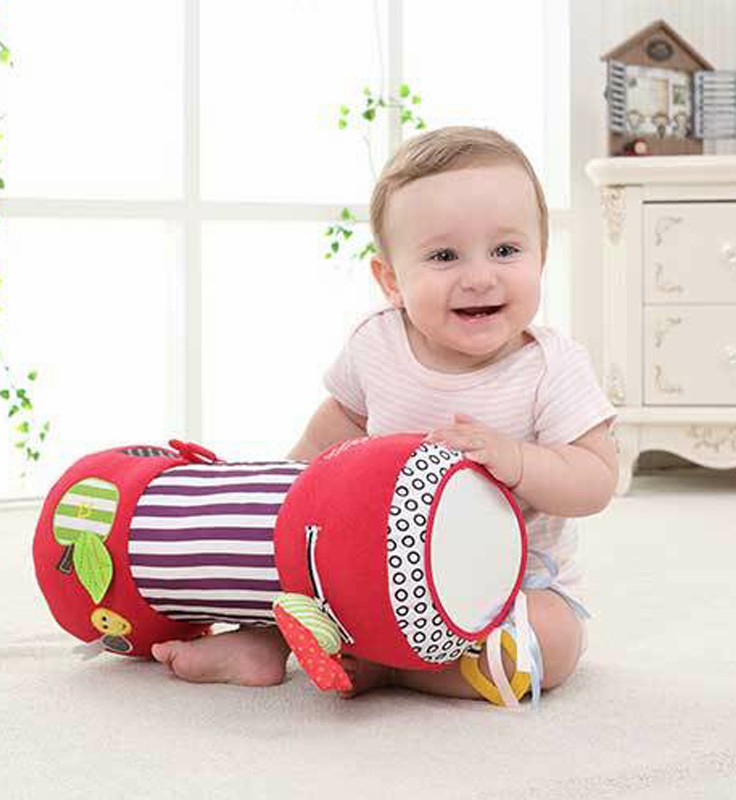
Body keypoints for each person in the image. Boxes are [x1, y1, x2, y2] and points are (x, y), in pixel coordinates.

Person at [152, 126, 618, 702]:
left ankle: (396, 670)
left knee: (554, 639)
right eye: (444, 256)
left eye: (506, 250)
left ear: (541, 257)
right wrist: (284, 498)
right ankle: (260, 644)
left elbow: (595, 480)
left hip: (508, 587)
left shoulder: (551, 367)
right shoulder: (377, 347)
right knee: (302, 576)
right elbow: (332, 432)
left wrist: (519, 460)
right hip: (374, 575)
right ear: (392, 280)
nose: (479, 276)